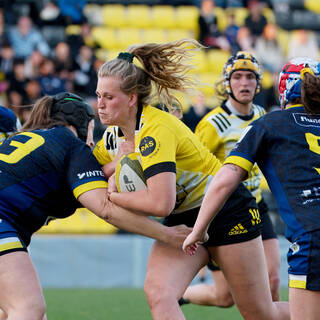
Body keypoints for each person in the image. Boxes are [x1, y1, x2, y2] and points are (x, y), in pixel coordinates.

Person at [93, 39, 289, 320]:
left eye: (108, 97)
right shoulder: (113, 136)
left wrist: (112, 195)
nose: (99, 105)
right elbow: (92, 174)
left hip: (225, 210)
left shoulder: (156, 128)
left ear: (132, 98)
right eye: (98, 95)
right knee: (159, 293)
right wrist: (114, 164)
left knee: (260, 313)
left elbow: (160, 203)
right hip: (184, 218)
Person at [0, 91, 192, 320]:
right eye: (91, 130)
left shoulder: (36, 143)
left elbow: (71, 188)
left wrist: (116, 165)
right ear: (81, 125)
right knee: (28, 308)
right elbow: (104, 208)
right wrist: (166, 234)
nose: (91, 142)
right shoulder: (70, 143)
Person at [183, 56, 320, 320]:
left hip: (311, 235)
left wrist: (198, 230)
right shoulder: (215, 123)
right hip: (242, 212)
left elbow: (224, 179)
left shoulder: (267, 122)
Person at [180, 51, 280, 307]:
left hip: (257, 206)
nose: (244, 83)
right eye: (237, 77)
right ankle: (182, 294)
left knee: (272, 281)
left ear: (258, 84)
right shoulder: (212, 123)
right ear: (227, 83)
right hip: (226, 213)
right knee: (224, 298)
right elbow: (194, 168)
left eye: (250, 77)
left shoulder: (262, 115)